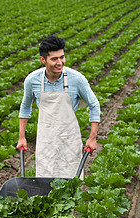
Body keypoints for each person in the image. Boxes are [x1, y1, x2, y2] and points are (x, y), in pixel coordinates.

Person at [16, 35, 100, 178]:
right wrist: (21, 137)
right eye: (54, 59)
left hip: (69, 139)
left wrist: (92, 138)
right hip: (45, 139)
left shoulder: (77, 79)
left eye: (62, 57)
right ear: (43, 60)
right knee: (45, 178)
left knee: (71, 179)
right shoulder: (32, 80)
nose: (60, 62)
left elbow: (94, 105)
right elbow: (25, 107)